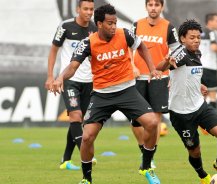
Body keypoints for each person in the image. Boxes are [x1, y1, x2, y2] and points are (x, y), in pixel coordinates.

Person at [52, 4, 162, 184]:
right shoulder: (88, 43)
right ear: (99, 24)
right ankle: (86, 179)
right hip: (102, 95)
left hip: (127, 91)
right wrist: (60, 78)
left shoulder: (125, 34)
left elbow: (142, 47)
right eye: (110, 23)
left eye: (115, 22)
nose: (113, 27)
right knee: (87, 137)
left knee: (152, 123)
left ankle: (146, 167)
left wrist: (151, 69)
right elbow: (73, 66)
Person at [156, 19, 217, 184]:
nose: (196, 40)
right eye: (192, 37)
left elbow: (188, 74)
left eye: (198, 37)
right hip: (180, 114)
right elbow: (160, 68)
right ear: (182, 39)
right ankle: (203, 176)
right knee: (194, 151)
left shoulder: (198, 53)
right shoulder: (180, 54)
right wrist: (167, 61)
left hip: (199, 106)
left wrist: (199, 85)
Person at [45, 0, 97, 170]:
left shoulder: (95, 28)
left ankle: (66, 160)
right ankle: (86, 152)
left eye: (91, 9)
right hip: (70, 79)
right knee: (75, 116)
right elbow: (54, 50)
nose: (89, 12)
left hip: (89, 80)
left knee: (79, 120)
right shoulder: (66, 26)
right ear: (78, 9)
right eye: (85, 9)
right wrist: (51, 76)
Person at [130, 0, 180, 168]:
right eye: (150, 4)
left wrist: (172, 77)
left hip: (159, 78)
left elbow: (176, 53)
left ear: (162, 7)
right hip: (138, 78)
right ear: (146, 6)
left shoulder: (169, 27)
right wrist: (132, 66)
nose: (153, 8)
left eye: (156, 5)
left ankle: (149, 157)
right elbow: (128, 48)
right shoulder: (136, 25)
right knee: (136, 121)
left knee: (155, 120)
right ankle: (143, 150)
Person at [199, 13, 217, 109]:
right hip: (210, 68)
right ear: (210, 22)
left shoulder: (199, 32)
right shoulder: (212, 32)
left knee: (202, 96)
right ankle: (213, 121)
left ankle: (200, 123)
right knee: (213, 96)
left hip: (199, 68)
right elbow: (213, 47)